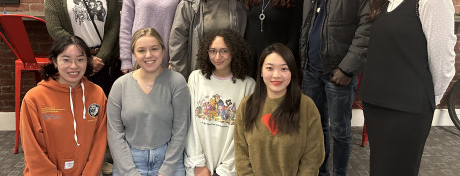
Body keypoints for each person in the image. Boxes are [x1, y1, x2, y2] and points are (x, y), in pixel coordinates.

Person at [359, 0, 456, 176]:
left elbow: (443, 63)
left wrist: (425, 103)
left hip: (407, 110)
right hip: (377, 104)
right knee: (380, 169)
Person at [299, 0, 376, 175]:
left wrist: (347, 68)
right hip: (311, 68)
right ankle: (321, 171)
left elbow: (369, 24)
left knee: (340, 130)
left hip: (338, 70)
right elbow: (308, 20)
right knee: (316, 127)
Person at [107, 28, 190, 176]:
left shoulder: (177, 82)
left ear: (163, 51)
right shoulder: (120, 85)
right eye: (141, 50)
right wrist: (130, 172)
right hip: (129, 160)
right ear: (133, 54)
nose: (148, 55)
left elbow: (181, 129)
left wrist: (166, 170)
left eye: (154, 49)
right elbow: (115, 133)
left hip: (169, 159)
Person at [20, 35, 107, 175]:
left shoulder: (97, 94)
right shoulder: (34, 98)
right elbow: (33, 151)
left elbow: (99, 142)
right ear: (55, 61)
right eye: (66, 59)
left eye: (80, 59)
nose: (74, 66)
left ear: (88, 61)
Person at [45, 0, 120, 96]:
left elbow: (113, 27)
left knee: (98, 110)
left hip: (100, 63)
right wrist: (83, 57)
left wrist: (100, 59)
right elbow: (54, 27)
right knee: (71, 108)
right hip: (70, 63)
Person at [234, 43, 324, 176]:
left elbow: (313, 156)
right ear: (261, 72)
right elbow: (241, 156)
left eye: (284, 69)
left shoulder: (307, 106)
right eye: (269, 68)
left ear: (292, 72)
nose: (276, 75)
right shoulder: (247, 105)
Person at [185, 29, 255, 176]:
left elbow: (245, 135)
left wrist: (225, 170)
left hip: (230, 169)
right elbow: (189, 124)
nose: (217, 57)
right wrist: (197, 163)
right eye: (213, 51)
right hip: (197, 168)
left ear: (234, 52)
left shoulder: (248, 85)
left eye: (224, 51)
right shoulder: (196, 79)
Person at [169, 0, 246, 79]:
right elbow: (177, 43)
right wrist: (181, 78)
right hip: (199, 76)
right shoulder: (191, 2)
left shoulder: (236, 3)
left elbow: (241, 41)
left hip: (229, 76)